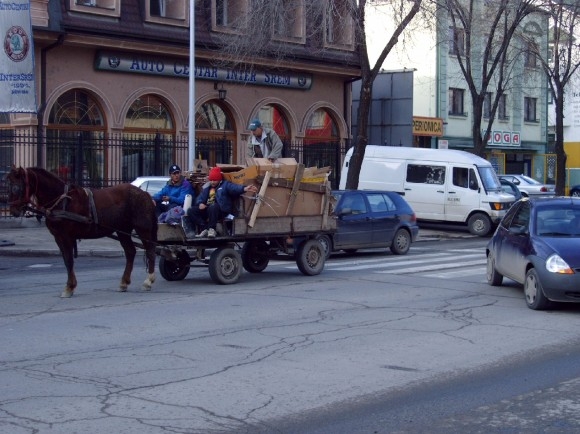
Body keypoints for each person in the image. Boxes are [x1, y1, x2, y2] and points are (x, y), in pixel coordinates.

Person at [188, 167, 258, 238]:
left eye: (215, 180)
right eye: (211, 180)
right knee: (191, 210)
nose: (212, 182)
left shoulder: (225, 185)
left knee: (213, 206)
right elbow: (199, 198)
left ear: (219, 179)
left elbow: (234, 188)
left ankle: (212, 229)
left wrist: (244, 188)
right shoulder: (207, 187)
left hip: (221, 210)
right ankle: (205, 228)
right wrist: (200, 203)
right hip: (209, 210)